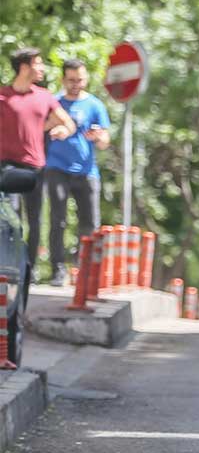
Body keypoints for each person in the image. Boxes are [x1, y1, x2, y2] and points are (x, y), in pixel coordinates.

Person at [0, 48, 77, 273]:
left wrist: (62, 129)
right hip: (7, 166)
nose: (42, 68)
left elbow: (69, 123)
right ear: (24, 67)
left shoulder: (44, 97)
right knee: (11, 217)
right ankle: (9, 264)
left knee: (34, 220)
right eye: (39, 64)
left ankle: (29, 269)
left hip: (34, 166)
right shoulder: (3, 96)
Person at [44, 59, 111, 286]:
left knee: (90, 223)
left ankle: (86, 269)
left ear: (86, 79)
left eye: (80, 79)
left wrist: (98, 137)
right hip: (57, 168)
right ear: (63, 80)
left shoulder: (95, 105)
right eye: (71, 80)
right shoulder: (54, 103)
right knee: (57, 220)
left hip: (87, 171)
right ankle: (58, 270)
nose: (75, 84)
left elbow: (104, 141)